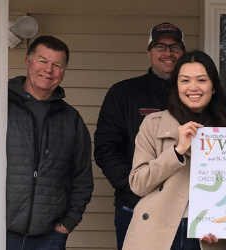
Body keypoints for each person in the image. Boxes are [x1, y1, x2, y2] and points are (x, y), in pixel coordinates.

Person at [0, 35, 94, 249]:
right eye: (42, 61)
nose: (49, 70)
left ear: (63, 72)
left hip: (48, 239)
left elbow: (82, 178)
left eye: (57, 65)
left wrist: (67, 224)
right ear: (28, 62)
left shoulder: (71, 120)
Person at [123, 50, 226, 249]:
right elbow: (138, 184)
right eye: (185, 80)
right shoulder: (153, 124)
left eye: (202, 80)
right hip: (158, 234)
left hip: (207, 235)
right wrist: (177, 151)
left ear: (214, 87)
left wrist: (224, 224)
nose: (193, 88)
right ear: (176, 86)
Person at [94, 21, 185, 249]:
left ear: (183, 53)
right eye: (160, 47)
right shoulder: (123, 93)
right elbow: (106, 148)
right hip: (135, 205)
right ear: (149, 53)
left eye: (175, 47)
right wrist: (134, 185)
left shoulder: (196, 96)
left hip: (184, 210)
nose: (168, 53)